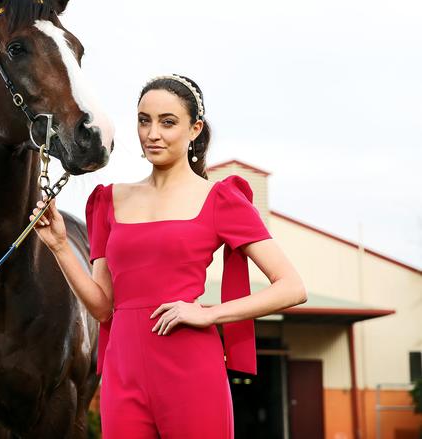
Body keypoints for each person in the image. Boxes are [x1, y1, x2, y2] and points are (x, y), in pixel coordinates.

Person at [29, 74, 307, 438]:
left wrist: (209, 314)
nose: (152, 133)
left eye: (167, 122)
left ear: (194, 129)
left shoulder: (220, 200)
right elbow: (103, 307)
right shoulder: (108, 200)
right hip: (123, 371)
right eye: (144, 120)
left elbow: (292, 287)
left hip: (191, 368)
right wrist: (61, 246)